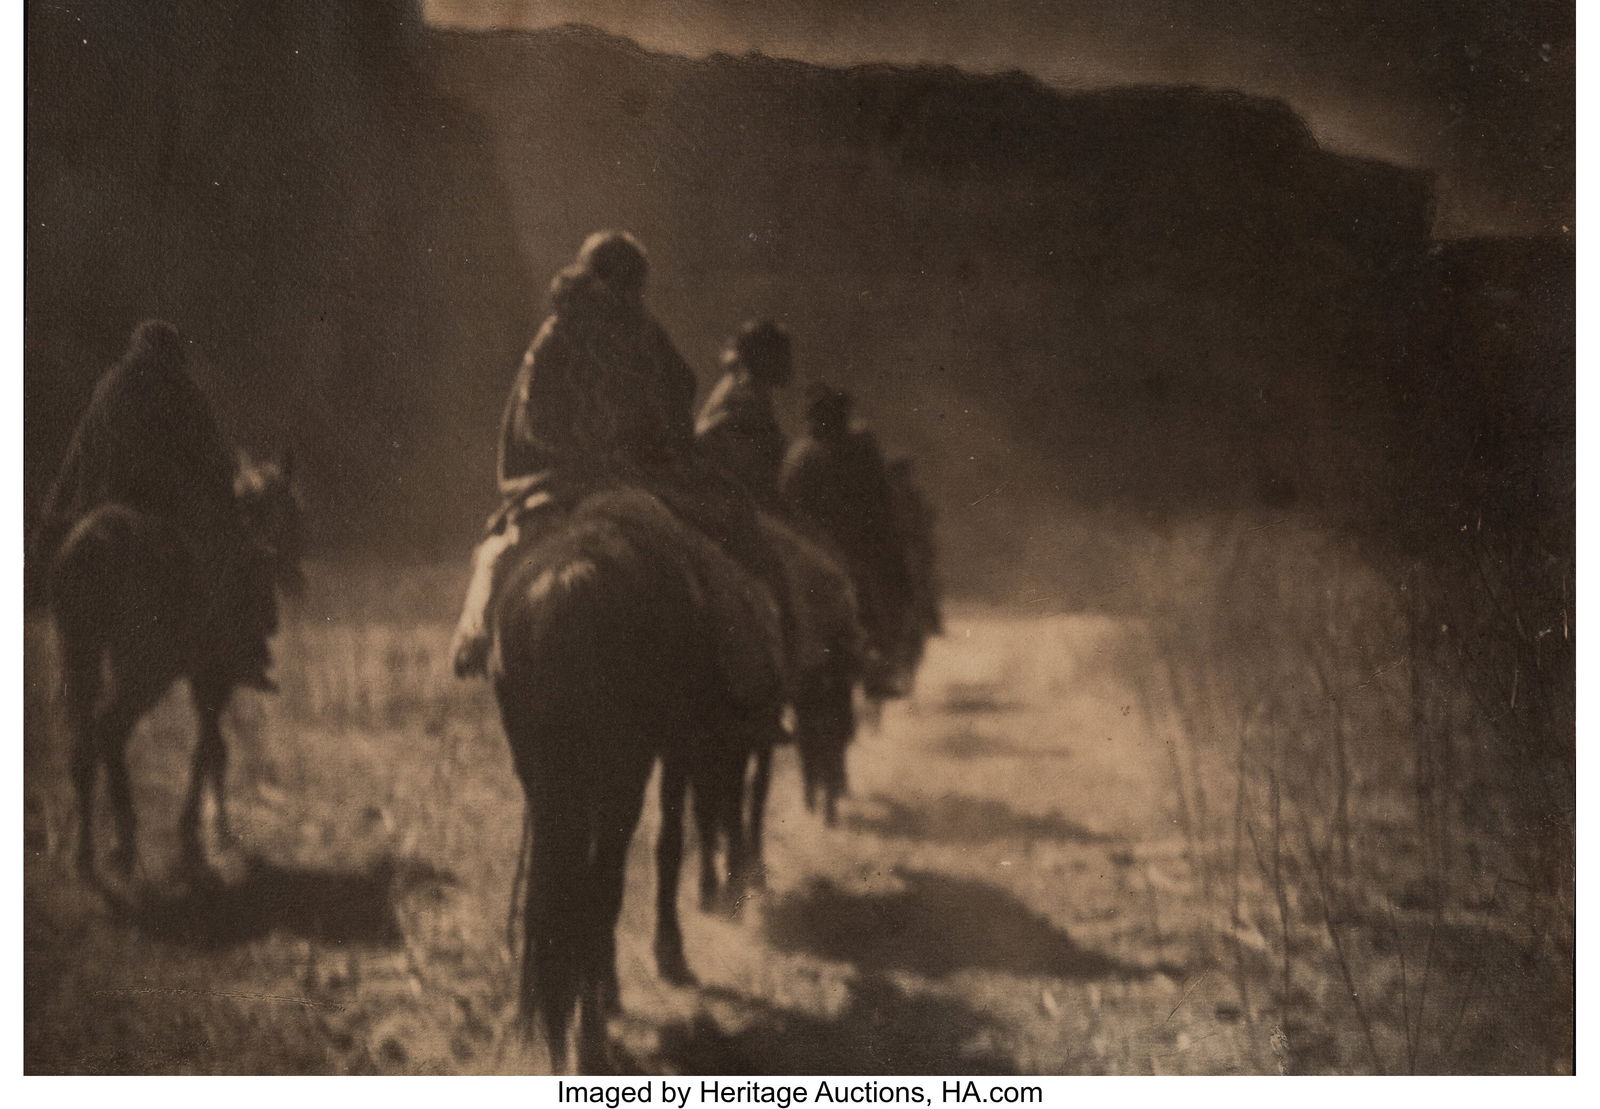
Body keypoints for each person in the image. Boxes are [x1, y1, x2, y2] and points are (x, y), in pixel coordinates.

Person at [451, 231, 785, 679]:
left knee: (499, 553)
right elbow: (677, 395)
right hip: (638, 480)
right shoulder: (642, 331)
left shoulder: (555, 334)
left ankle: (475, 639)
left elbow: (532, 419)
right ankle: (749, 663)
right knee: (718, 546)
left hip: (557, 483)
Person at [31, 319, 276, 689]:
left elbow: (77, 453)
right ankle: (244, 655)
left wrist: (54, 509)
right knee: (234, 556)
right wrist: (224, 481)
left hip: (96, 502)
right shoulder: (178, 388)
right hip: (160, 506)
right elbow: (210, 448)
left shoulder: (108, 386)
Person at [779, 385, 912, 679]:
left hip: (837, 552)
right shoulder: (813, 455)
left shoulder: (814, 454)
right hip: (829, 553)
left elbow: (879, 505)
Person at [695, 320, 793, 508]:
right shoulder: (744, 394)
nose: (785, 360)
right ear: (764, 357)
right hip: (722, 488)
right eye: (778, 354)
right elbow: (705, 436)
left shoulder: (744, 387)